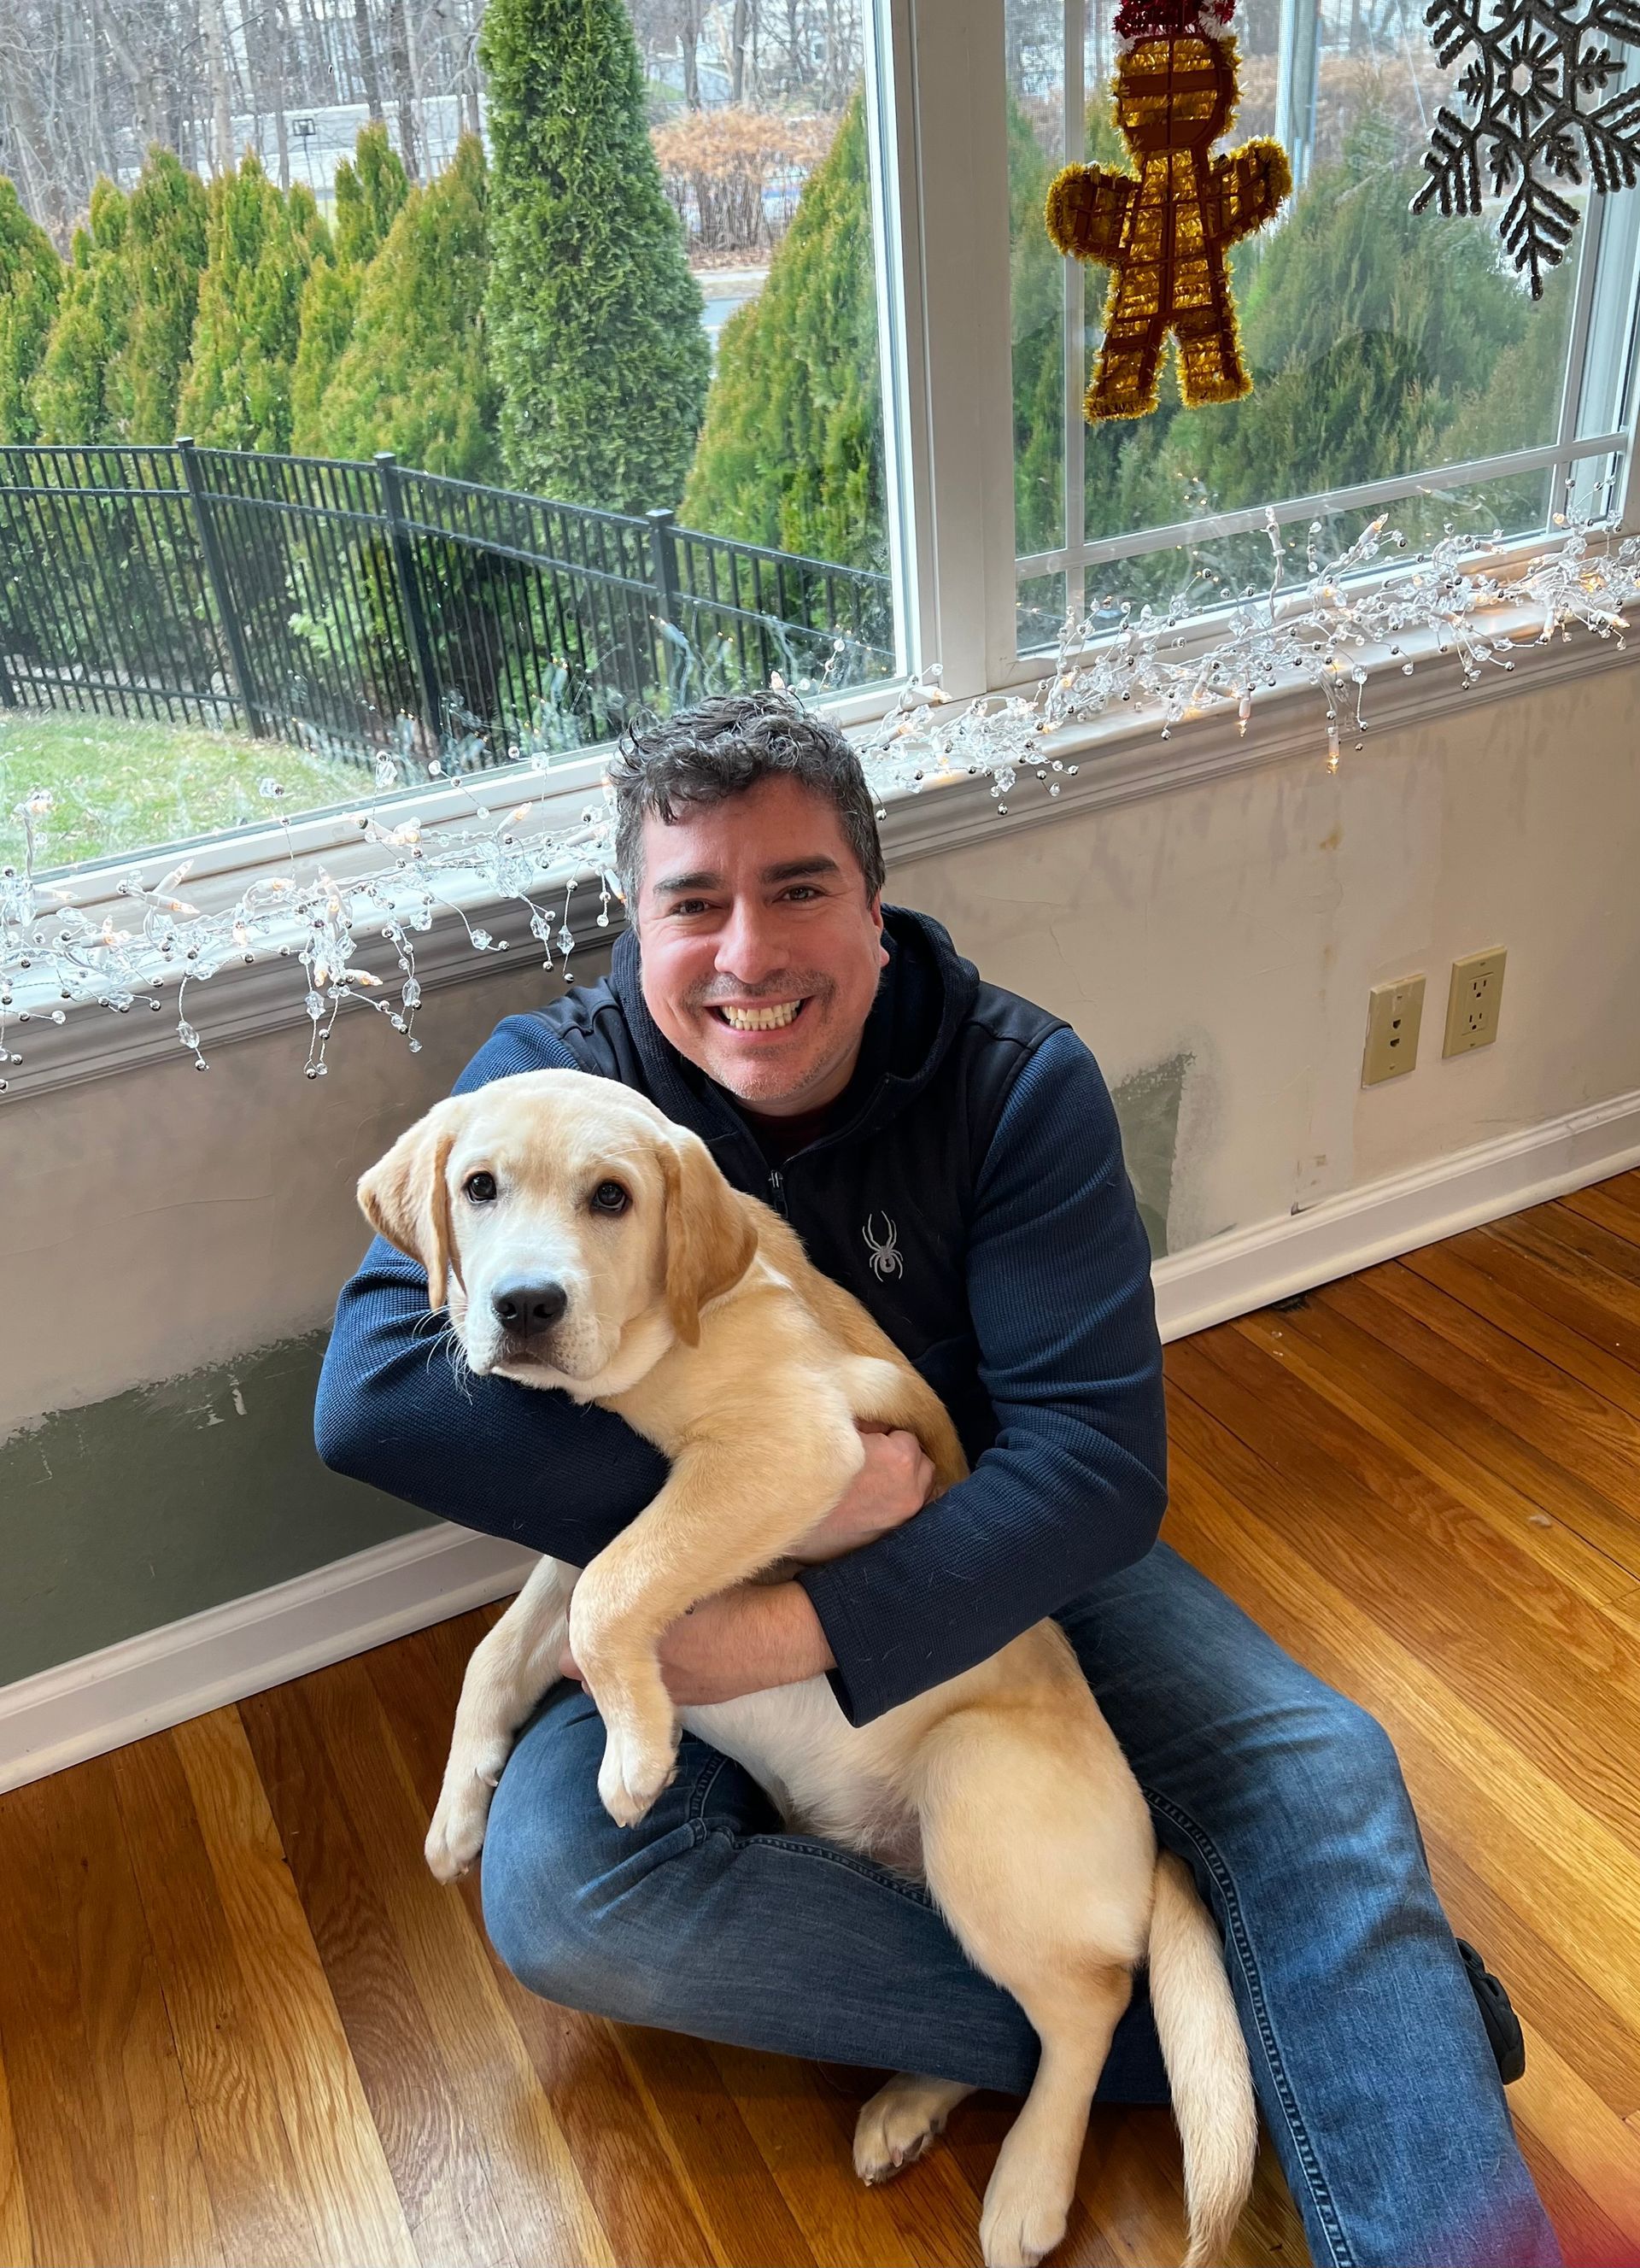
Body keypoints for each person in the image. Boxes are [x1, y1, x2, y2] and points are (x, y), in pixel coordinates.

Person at [316, 690, 1556, 2268]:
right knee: (566, 1898)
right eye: (692, 903)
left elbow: (1097, 1471)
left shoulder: (1014, 1080)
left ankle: (1384, 2114)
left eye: (799, 889)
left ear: (876, 905)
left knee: (1316, 1771)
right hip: (691, 1571)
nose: (749, 956)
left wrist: (805, 1621)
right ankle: (1301, 2035)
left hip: (991, 1540)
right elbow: (370, 1401)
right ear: (635, 929)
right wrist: (750, 1540)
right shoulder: (546, 1090)